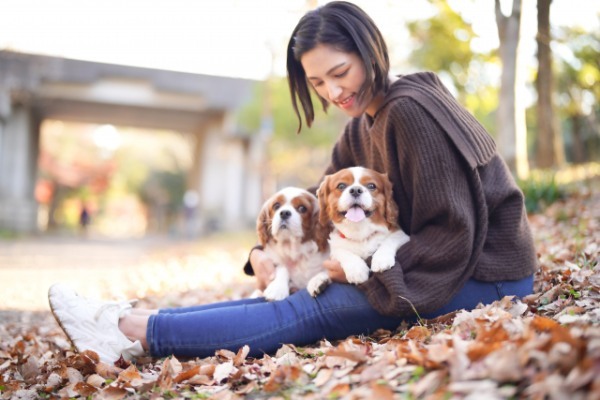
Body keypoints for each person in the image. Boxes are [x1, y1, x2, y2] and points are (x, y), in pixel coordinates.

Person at [48, 1, 537, 364]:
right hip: (432, 263)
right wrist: (260, 251)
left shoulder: (408, 112)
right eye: (318, 83)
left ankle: (131, 333)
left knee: (314, 307)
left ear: (370, 52)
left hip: (484, 274)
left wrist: (370, 272)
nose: (334, 91)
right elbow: (310, 203)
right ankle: (126, 324)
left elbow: (454, 232)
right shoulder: (358, 127)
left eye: (340, 72)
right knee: (278, 292)